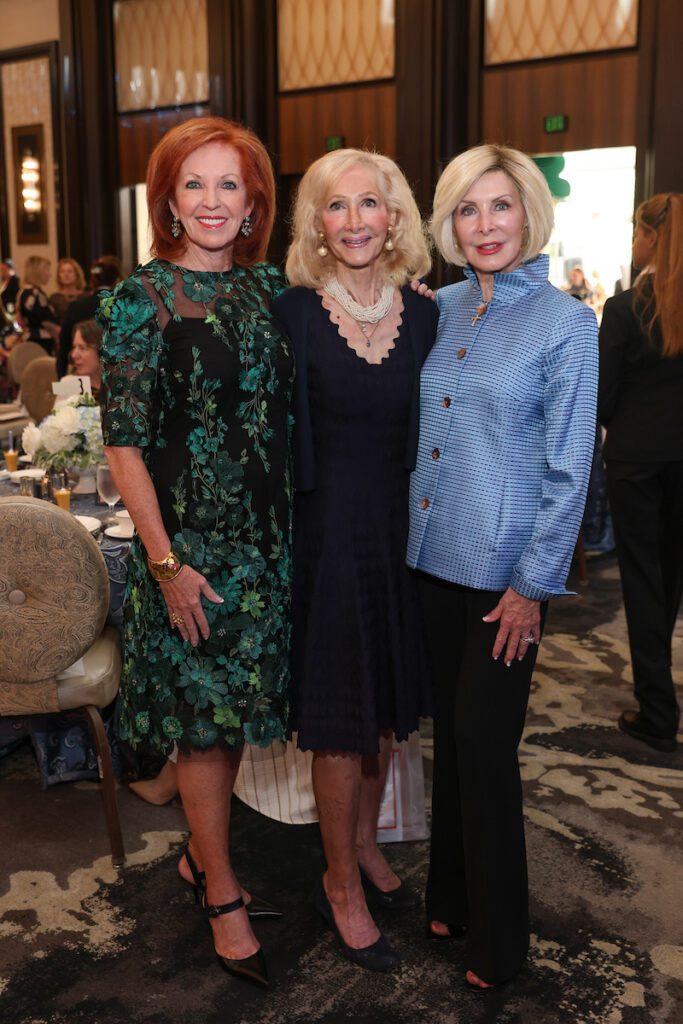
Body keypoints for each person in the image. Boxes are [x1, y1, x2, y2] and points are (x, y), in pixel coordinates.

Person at [99, 116, 293, 988]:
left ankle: (197, 857)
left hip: (267, 550)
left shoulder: (269, 290)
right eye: (194, 185)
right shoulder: (140, 298)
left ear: (254, 200)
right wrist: (166, 563)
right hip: (192, 556)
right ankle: (220, 890)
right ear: (168, 200)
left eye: (229, 185)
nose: (212, 202)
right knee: (206, 735)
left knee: (242, 717)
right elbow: (124, 444)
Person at [407, 144, 598, 989]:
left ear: (528, 212)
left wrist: (531, 586)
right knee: (446, 740)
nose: (483, 226)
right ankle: (448, 896)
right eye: (465, 210)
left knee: (484, 750)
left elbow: (569, 469)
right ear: (447, 223)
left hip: (502, 577)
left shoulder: (564, 325)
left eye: (500, 207)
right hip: (425, 559)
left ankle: (502, 941)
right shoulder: (435, 309)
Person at [272, 149, 437, 972]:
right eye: (336, 207)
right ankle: (338, 880)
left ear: (394, 216)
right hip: (327, 542)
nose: (355, 221)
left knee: (381, 717)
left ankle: (367, 846)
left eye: (369, 204)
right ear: (317, 224)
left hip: (401, 542)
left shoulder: (426, 313)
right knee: (339, 724)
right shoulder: (292, 313)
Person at [599, 193, 683, 754]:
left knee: (642, 582)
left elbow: (602, 402)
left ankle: (658, 710)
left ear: (653, 239)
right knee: (670, 578)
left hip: (635, 462)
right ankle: (658, 701)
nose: (633, 243)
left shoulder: (628, 307)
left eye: (636, 233)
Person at [57, 255, 123, 377]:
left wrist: (62, 385)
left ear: (92, 280)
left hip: (81, 379)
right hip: (118, 376)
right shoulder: (126, 307)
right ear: (117, 280)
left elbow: (63, 351)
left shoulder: (76, 307)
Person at [17, 256, 60, 353]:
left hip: (30, 338)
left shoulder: (23, 291)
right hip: (41, 340)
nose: (50, 275)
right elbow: (46, 322)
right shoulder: (35, 293)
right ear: (38, 272)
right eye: (47, 271)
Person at [68, 319, 103, 400]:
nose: (73, 355)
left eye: (82, 348)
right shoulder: (68, 384)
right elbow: (58, 411)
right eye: (74, 347)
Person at [49, 257, 86, 321]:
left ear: (77, 274)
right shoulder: (54, 298)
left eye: (69, 271)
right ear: (59, 276)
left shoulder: (86, 296)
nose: (66, 275)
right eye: (62, 272)